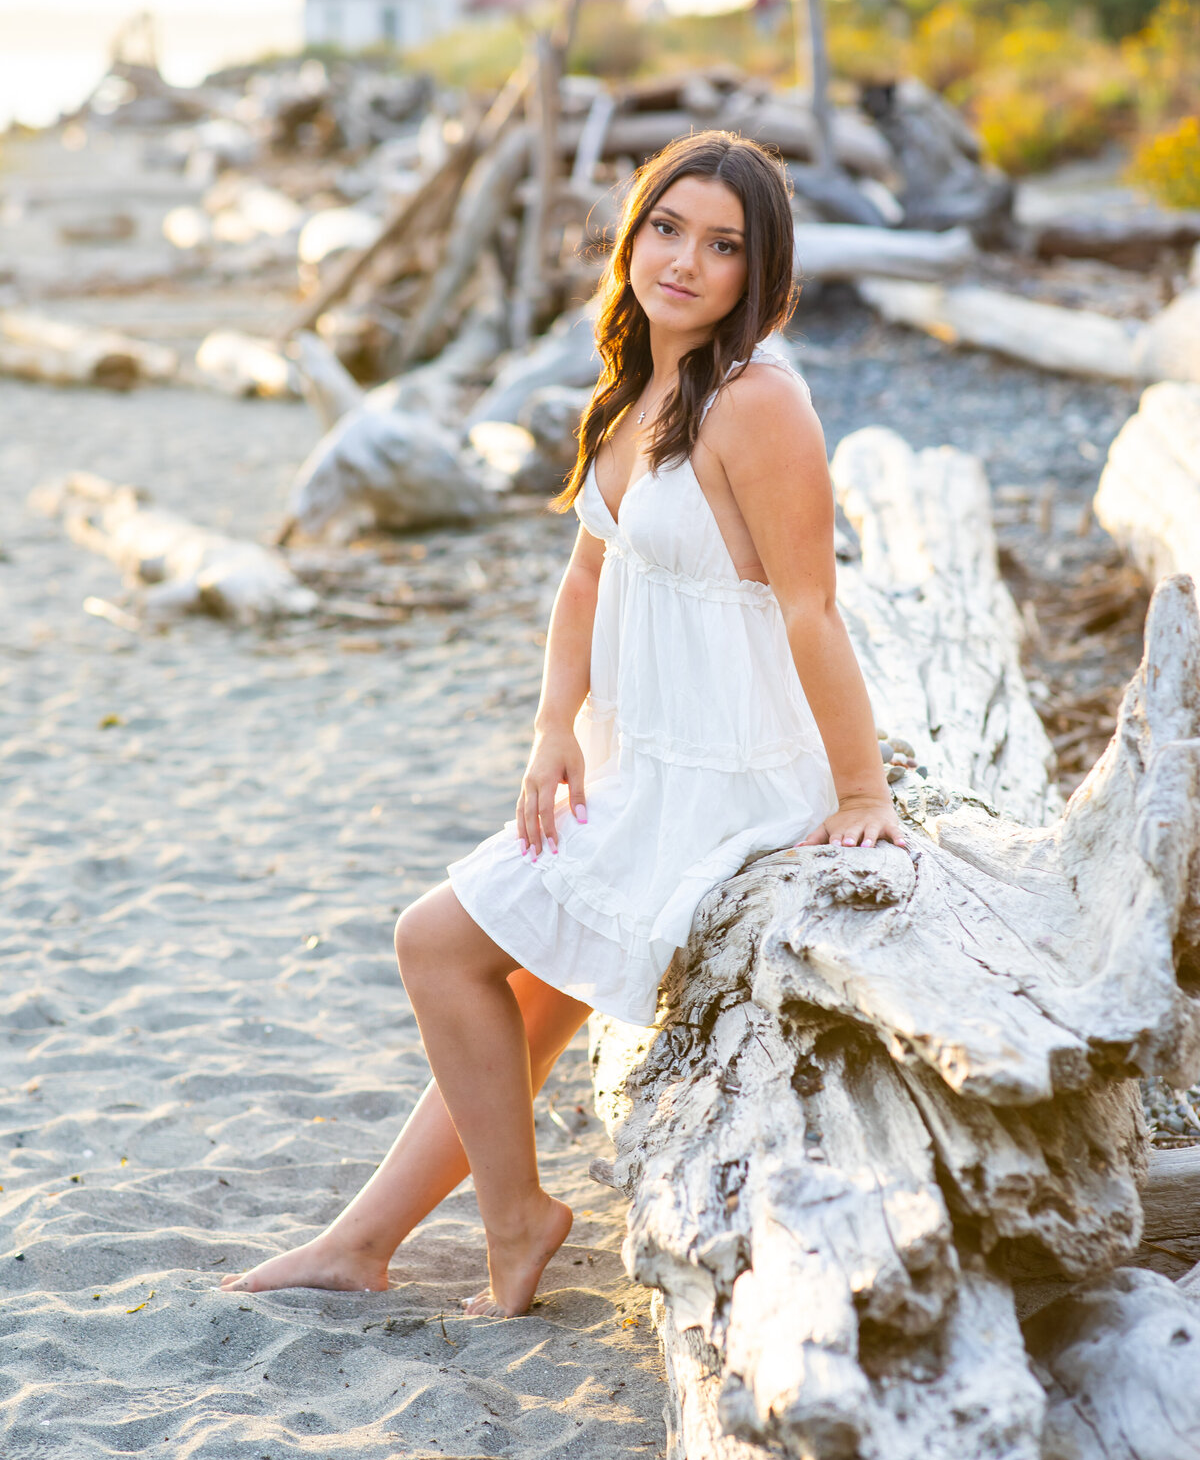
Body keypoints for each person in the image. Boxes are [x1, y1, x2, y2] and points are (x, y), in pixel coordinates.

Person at [223, 130, 905, 1316]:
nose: (685, 261)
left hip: (729, 779)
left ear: (762, 269)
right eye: (667, 228)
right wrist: (552, 731)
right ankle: (364, 1241)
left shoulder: (758, 402)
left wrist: (862, 796)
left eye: (723, 245)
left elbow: (811, 609)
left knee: (435, 942)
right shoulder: (636, 384)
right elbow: (585, 580)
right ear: (635, 234)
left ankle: (514, 1221)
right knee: (526, 989)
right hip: (636, 764)